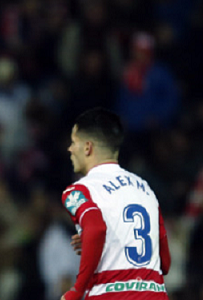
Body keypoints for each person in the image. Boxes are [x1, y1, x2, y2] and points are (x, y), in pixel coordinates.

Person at [60, 108, 170, 300]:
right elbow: (165, 262)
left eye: (73, 142)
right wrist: (109, 242)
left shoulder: (79, 191)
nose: (70, 149)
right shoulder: (145, 189)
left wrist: (76, 290)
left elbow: (95, 228)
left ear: (87, 147)